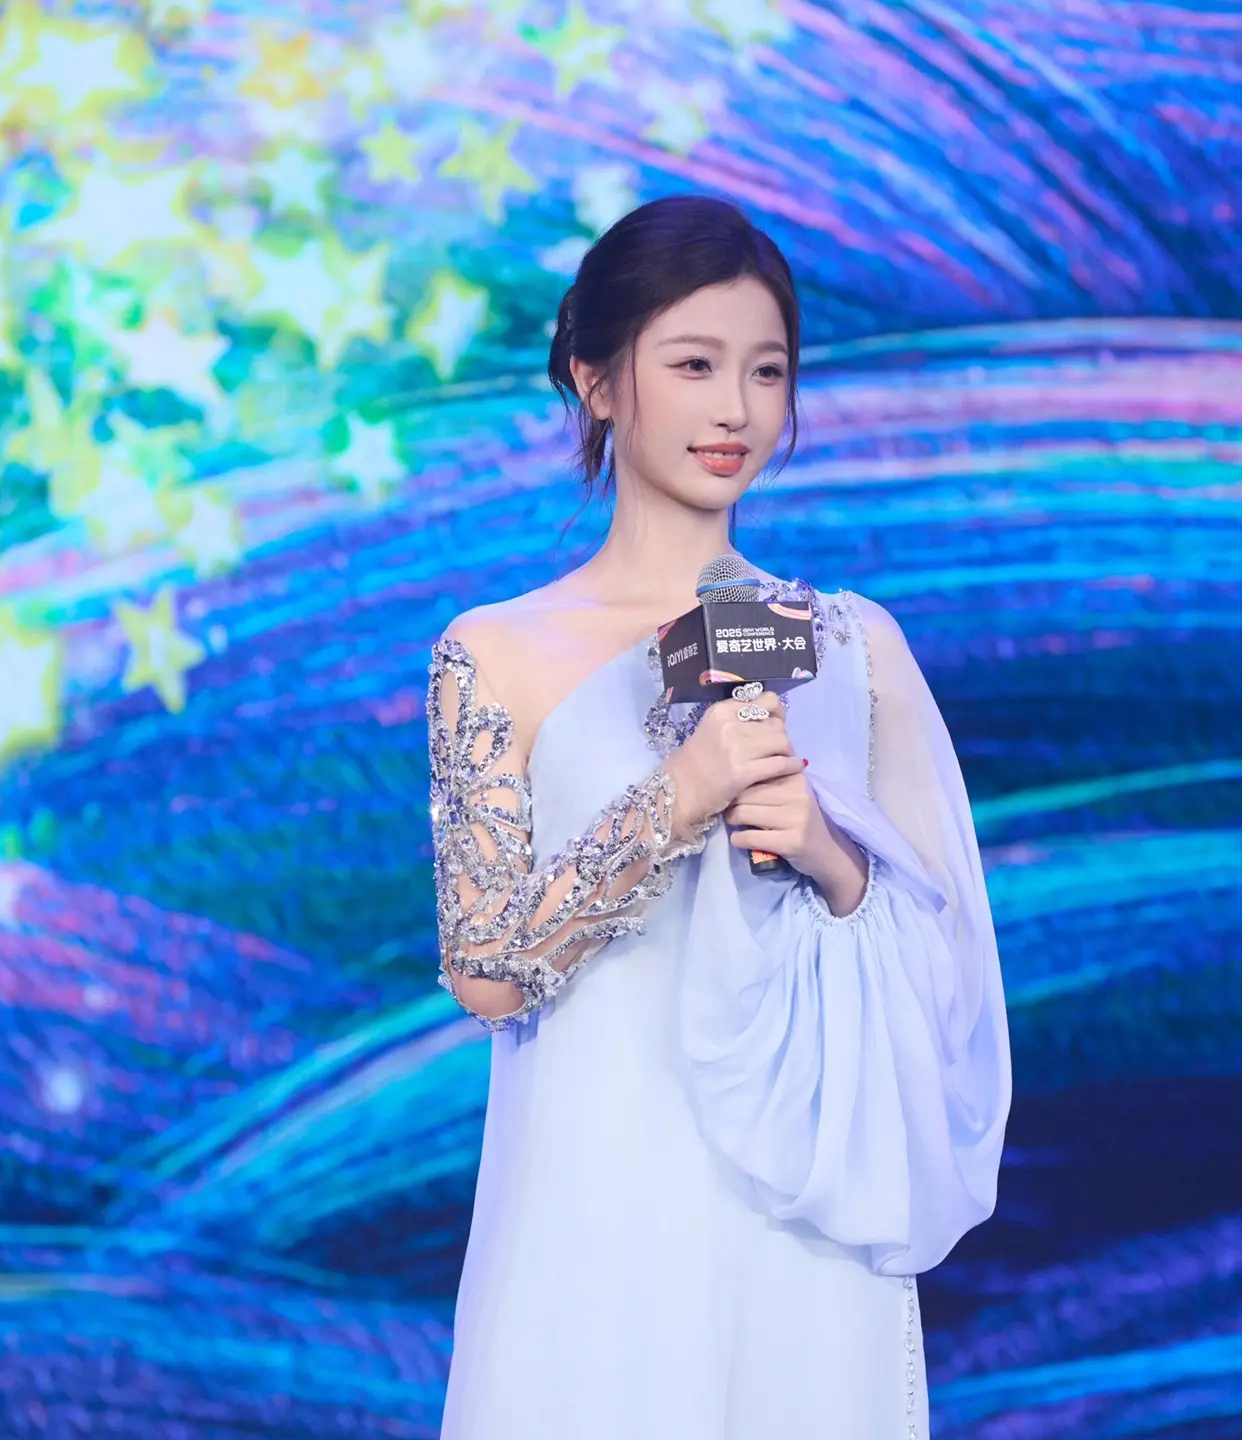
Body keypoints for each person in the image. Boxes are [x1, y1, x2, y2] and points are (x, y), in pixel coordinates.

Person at [425, 194, 1011, 1439]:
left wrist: (830, 858)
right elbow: (485, 968)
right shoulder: (497, 651)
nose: (735, 408)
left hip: (796, 1209)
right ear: (596, 379)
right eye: (693, 365)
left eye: (766, 371)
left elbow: (951, 976)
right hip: (595, 1198)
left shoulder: (850, 647)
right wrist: (677, 797)